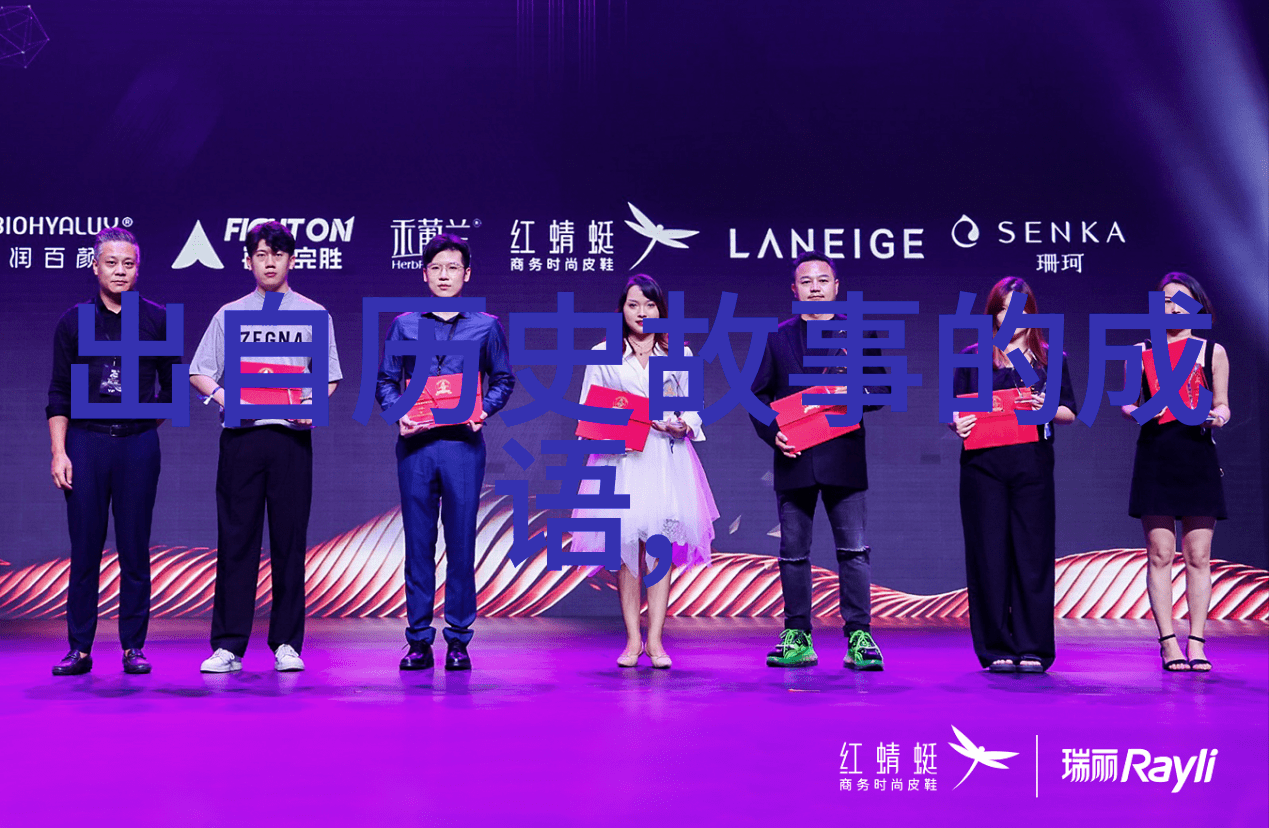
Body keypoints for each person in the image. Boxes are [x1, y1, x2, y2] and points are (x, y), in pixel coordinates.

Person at [189, 221, 342, 673]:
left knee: (290, 542)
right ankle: (228, 646)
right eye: (260, 254)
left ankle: (287, 643)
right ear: (248, 261)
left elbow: (329, 376)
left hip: (291, 439)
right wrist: (226, 397)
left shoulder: (314, 313)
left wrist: (311, 405)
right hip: (242, 438)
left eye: (277, 254)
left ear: (291, 260)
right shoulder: (229, 314)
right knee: (236, 540)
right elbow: (199, 371)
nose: (269, 262)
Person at [375, 233, 515, 671]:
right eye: (436, 268)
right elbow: (386, 381)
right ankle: (418, 640)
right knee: (418, 545)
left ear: (466, 274)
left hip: (462, 447)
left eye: (452, 268)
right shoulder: (404, 325)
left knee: (461, 545)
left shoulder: (486, 326)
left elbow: (503, 379)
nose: (444, 275)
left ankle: (458, 640)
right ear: (424, 274)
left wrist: (483, 411)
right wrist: (399, 412)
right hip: (416, 447)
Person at [46, 227, 176, 676]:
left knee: (135, 548)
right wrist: (60, 452)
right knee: (84, 550)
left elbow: (172, 389)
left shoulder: (158, 319)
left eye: (128, 263)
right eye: (111, 262)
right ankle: (79, 649)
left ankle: (133, 647)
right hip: (86, 444)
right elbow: (58, 393)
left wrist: (138, 424)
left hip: (138, 446)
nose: (120, 271)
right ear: (95, 266)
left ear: (137, 269)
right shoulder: (74, 321)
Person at [571, 274, 719, 668]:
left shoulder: (679, 353)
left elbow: (693, 409)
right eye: (634, 304)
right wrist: (609, 431)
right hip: (620, 460)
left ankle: (655, 641)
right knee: (626, 551)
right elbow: (588, 411)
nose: (642, 313)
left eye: (650, 305)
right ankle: (632, 640)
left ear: (661, 310)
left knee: (658, 549)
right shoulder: (602, 353)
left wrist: (683, 425)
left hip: (665, 457)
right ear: (621, 309)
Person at [750, 251, 887, 670]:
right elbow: (756, 396)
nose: (814, 288)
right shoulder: (776, 337)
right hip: (795, 456)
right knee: (793, 553)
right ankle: (797, 636)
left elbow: (881, 390)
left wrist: (849, 395)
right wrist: (774, 434)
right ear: (794, 290)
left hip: (843, 455)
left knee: (854, 551)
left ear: (836, 287)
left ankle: (859, 636)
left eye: (822, 280)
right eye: (806, 281)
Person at [951, 277, 1076, 674]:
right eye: (1004, 309)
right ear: (993, 314)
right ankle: (995, 646)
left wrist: (1046, 407)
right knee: (989, 555)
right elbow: (955, 411)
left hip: (1032, 466)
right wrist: (958, 423)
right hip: (983, 467)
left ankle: (1033, 646)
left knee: (1032, 555)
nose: (1012, 317)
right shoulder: (973, 356)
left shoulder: (1050, 358)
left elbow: (1069, 411)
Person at [1121, 272, 1229, 672]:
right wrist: (1143, 411)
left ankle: (1197, 641)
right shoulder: (1141, 351)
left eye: (1181, 300)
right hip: (1156, 455)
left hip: (1197, 455)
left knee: (1199, 555)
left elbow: (1223, 404)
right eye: (1165, 300)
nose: (1173, 308)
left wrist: (1218, 416)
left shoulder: (1212, 351)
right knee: (1160, 553)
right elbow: (1127, 404)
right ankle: (1168, 643)